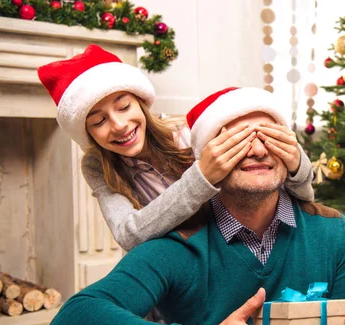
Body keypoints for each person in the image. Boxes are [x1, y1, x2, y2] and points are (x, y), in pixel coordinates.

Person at [45, 87, 345, 325]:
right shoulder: (177, 243)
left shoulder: (332, 232)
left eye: (269, 137)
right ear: (208, 160)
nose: (259, 150)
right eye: (238, 141)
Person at [37, 45, 314, 251]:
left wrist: (297, 163)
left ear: (141, 103)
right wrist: (201, 177)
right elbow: (128, 235)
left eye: (124, 106)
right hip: (166, 271)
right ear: (87, 132)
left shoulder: (186, 133)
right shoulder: (96, 164)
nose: (119, 125)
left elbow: (291, 194)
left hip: (225, 256)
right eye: (99, 121)